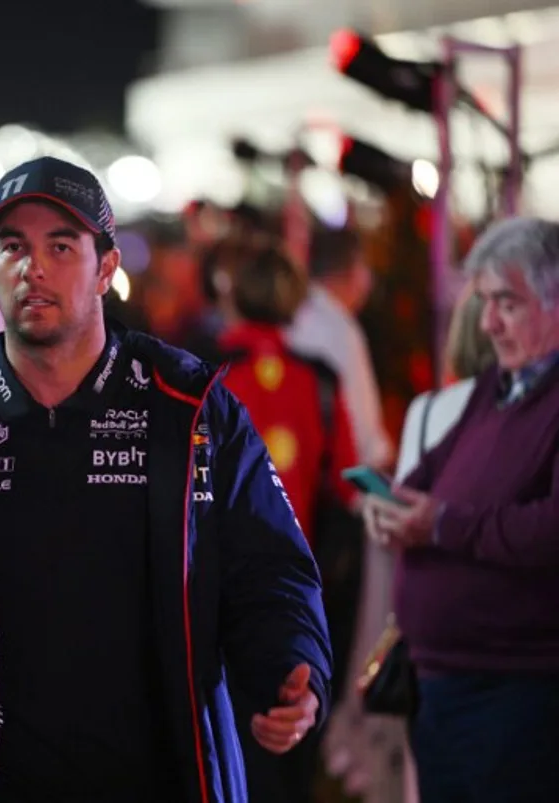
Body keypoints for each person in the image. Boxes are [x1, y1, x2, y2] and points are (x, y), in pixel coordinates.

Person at [0, 157, 332, 803]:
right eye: (13, 247)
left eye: (61, 246)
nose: (33, 267)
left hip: (163, 772)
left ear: (107, 268)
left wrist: (293, 664)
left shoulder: (189, 403)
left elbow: (269, 565)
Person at [361, 217, 559, 803]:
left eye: (508, 304)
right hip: (445, 680)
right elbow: (422, 479)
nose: (489, 323)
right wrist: (389, 507)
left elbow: (550, 528)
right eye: (485, 302)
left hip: (515, 689)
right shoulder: (494, 388)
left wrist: (441, 524)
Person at [210, 242, 359, 802]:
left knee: (225, 742)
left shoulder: (201, 372)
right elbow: (345, 481)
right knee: (289, 734)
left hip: (215, 583)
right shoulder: (319, 379)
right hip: (299, 590)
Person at [285, 227, 393, 471]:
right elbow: (362, 429)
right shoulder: (341, 330)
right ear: (353, 270)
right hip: (337, 475)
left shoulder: (295, 316)